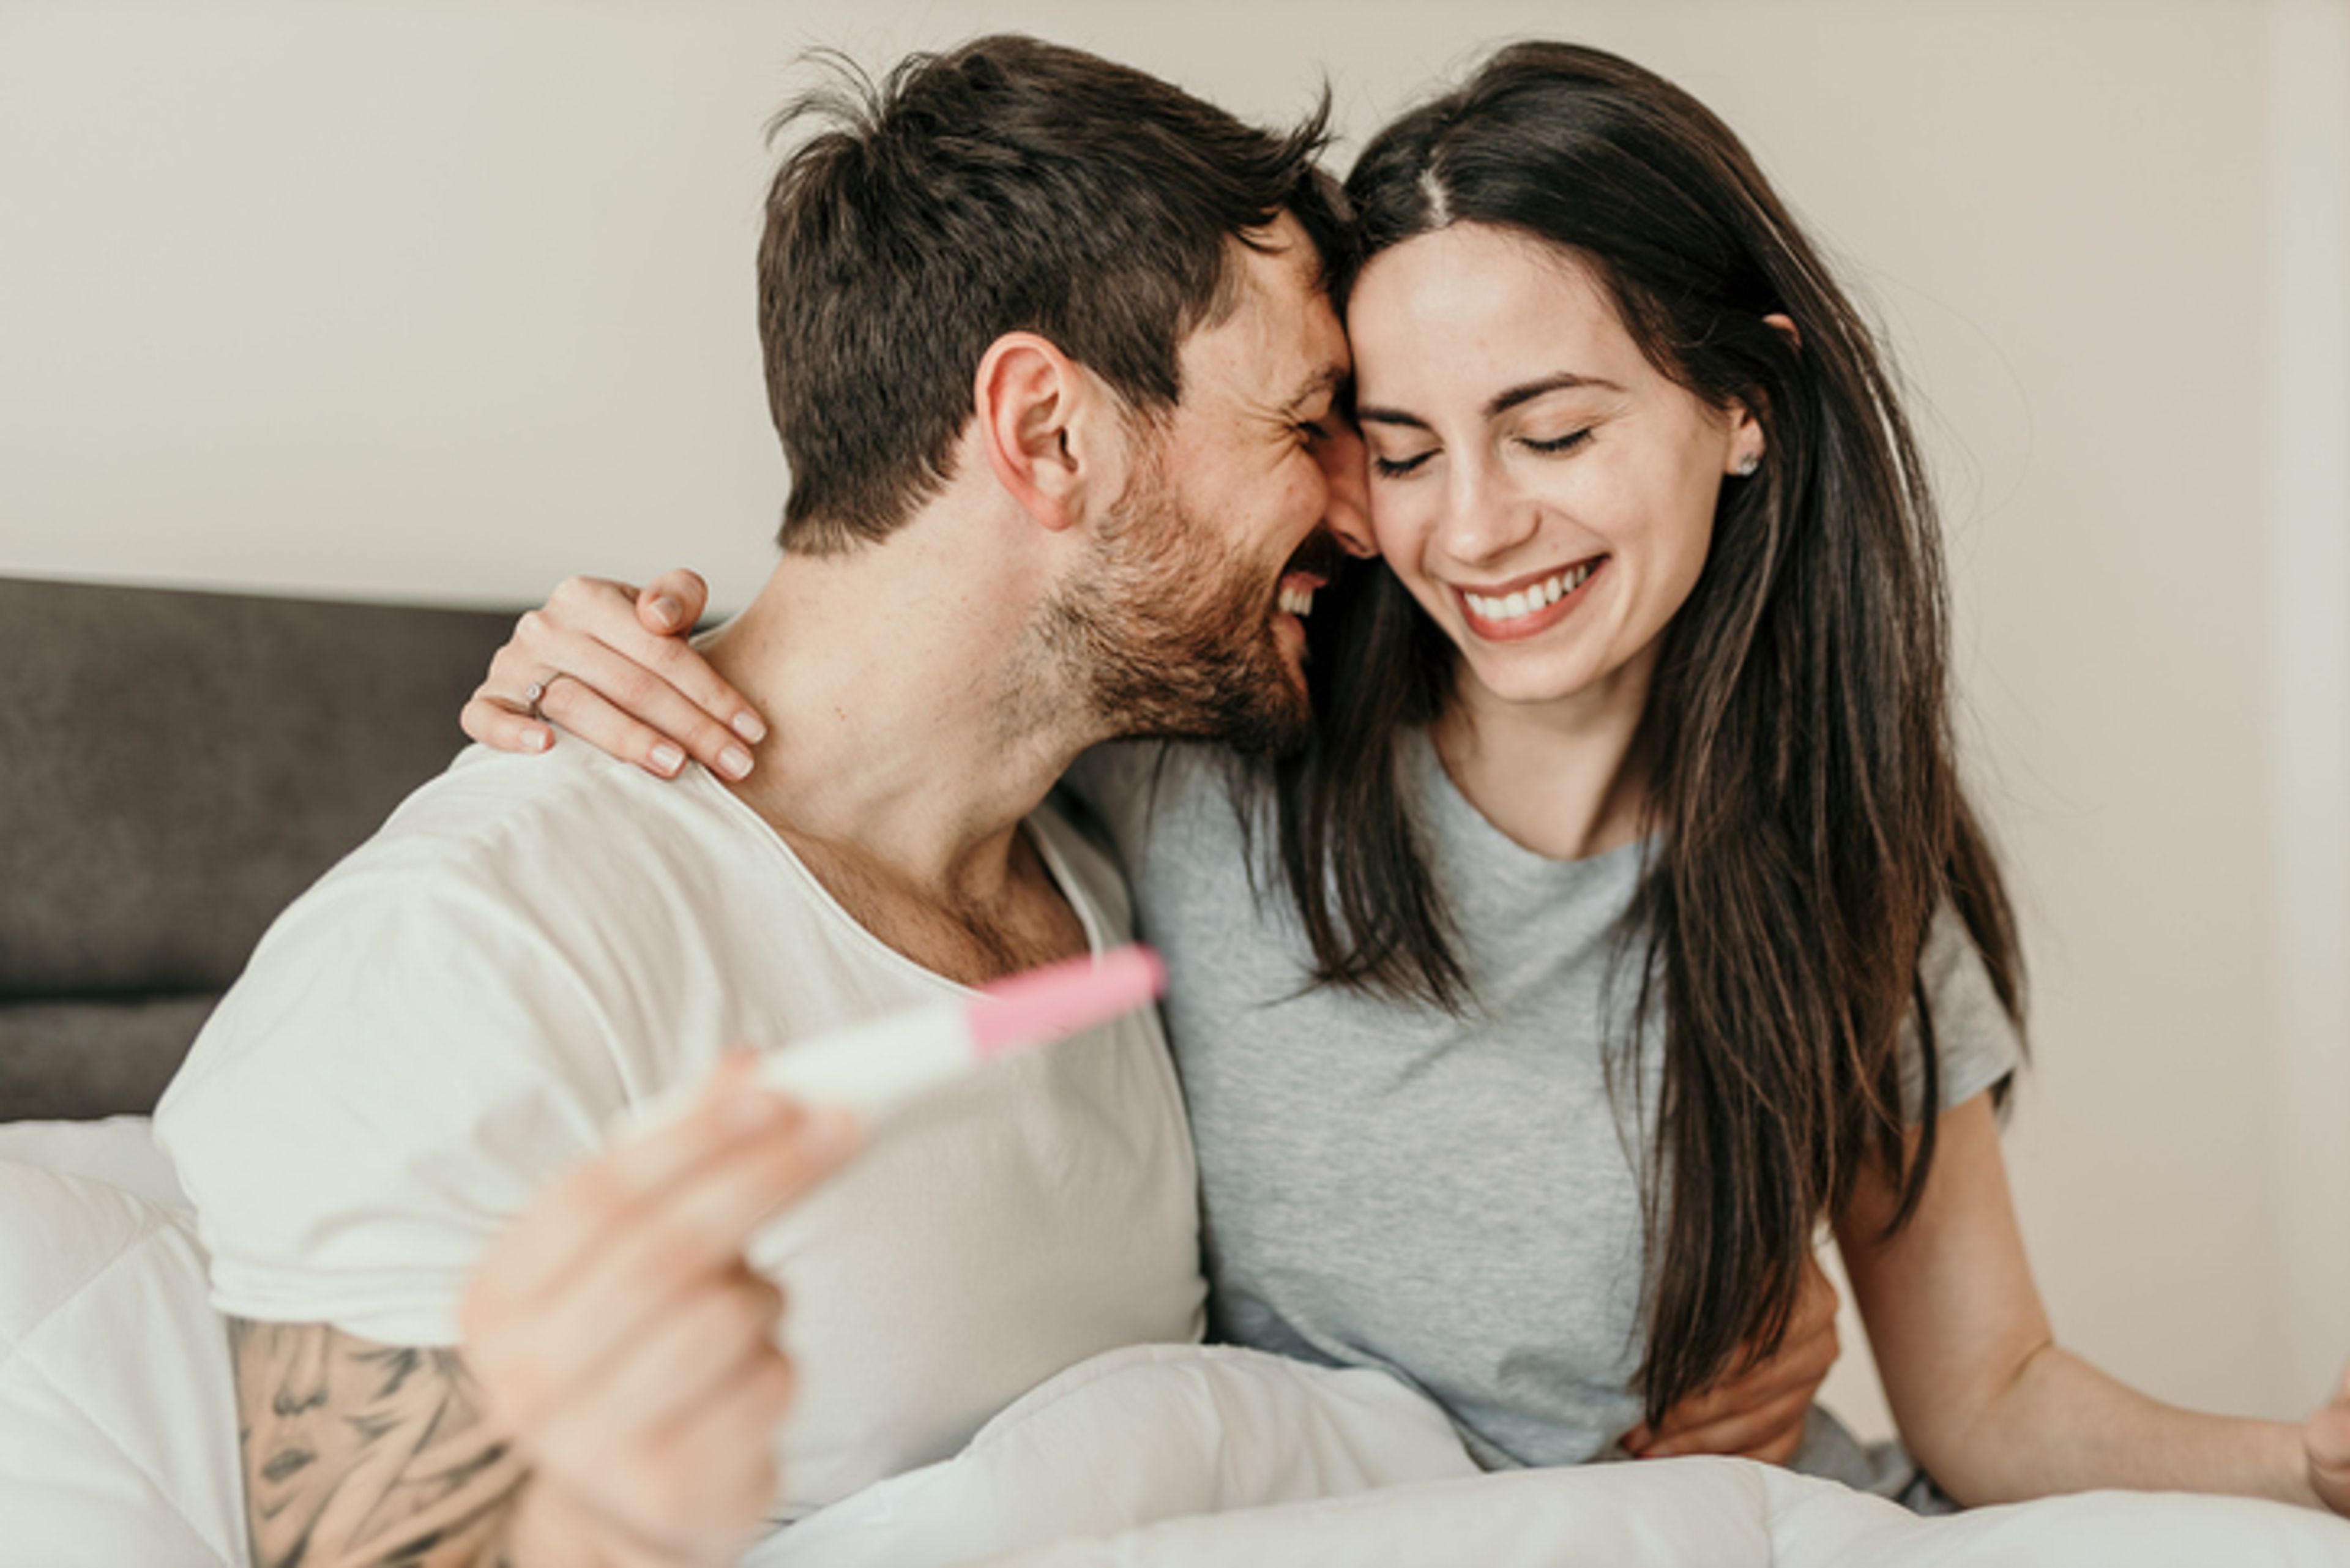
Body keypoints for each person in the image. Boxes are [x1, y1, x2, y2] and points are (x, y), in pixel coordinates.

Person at [469, 40, 2350, 1518]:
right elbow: (914, 639)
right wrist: (630, 651)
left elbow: (1990, 1398)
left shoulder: (1847, 858)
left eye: (1553, 428)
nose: (1477, 524)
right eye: (1398, 445)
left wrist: (2299, 1462)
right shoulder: (1210, 751)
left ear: (1744, 405)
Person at [155, 36, 1379, 1568]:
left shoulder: (1115, 864)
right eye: (1303, 424)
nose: (1364, 511)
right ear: (1049, 433)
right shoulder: (480, 943)